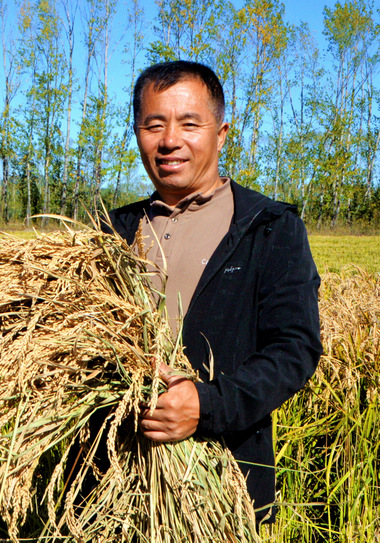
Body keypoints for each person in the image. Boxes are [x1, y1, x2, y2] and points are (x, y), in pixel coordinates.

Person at [108, 60, 322, 524]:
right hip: (108, 491)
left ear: (221, 132)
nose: (169, 140)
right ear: (137, 132)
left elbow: (294, 350)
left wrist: (205, 404)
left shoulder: (269, 228)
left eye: (190, 124)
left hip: (222, 493)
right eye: (153, 124)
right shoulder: (110, 231)